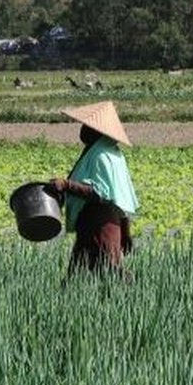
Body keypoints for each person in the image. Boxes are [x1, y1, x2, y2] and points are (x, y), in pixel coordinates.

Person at [49, 100, 139, 278]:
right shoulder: (112, 153)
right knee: (82, 273)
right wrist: (126, 231)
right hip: (103, 223)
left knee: (108, 272)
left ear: (97, 130)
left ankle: (135, 296)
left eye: (87, 126)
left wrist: (67, 185)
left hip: (99, 224)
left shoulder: (101, 155)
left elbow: (101, 193)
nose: (83, 129)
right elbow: (120, 198)